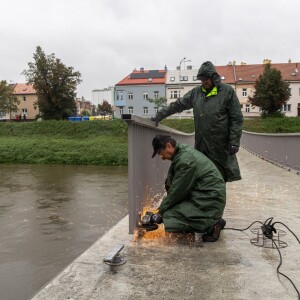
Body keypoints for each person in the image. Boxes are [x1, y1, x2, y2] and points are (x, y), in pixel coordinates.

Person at [151, 61, 243, 182]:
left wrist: (234, 141)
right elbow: (178, 105)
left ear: (214, 77)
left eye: (207, 79)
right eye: (202, 79)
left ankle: (217, 200)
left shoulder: (226, 92)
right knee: (201, 176)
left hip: (220, 145)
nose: (204, 82)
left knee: (218, 177)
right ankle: (205, 199)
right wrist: (160, 115)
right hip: (201, 145)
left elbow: (236, 118)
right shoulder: (196, 93)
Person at [150, 135, 226, 242]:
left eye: (161, 153)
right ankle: (209, 220)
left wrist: (160, 212)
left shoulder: (185, 160)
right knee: (171, 208)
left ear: (169, 146)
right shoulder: (182, 151)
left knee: (169, 216)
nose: (162, 158)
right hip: (206, 197)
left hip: (209, 202)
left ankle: (212, 225)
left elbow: (177, 192)